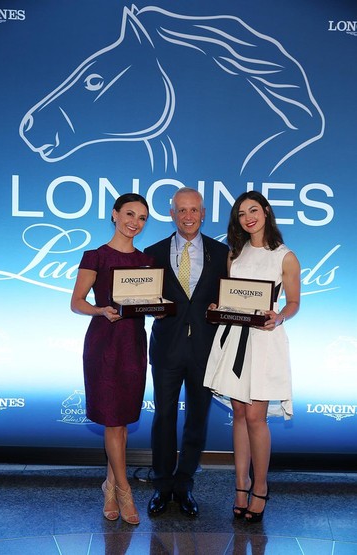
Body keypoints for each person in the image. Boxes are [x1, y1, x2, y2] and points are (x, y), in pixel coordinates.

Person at [204, 191, 300, 523]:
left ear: (267, 212)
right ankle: (240, 486)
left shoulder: (285, 256)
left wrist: (280, 315)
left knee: (257, 418)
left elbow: (293, 302)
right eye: (242, 213)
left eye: (254, 210)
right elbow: (229, 295)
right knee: (241, 416)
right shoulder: (235, 254)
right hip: (233, 338)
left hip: (264, 340)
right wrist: (218, 307)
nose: (249, 218)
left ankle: (260, 487)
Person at [144, 187, 228, 517]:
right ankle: (163, 485)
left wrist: (223, 306)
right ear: (172, 214)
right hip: (166, 347)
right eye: (181, 210)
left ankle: (184, 483)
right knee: (163, 416)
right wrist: (147, 307)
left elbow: (231, 298)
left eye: (194, 210)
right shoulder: (152, 252)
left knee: (197, 418)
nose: (188, 216)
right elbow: (144, 297)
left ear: (204, 213)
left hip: (206, 349)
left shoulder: (223, 254)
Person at [70, 193, 153, 525]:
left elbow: (150, 303)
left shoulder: (147, 262)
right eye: (130, 214)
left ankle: (109, 485)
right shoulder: (96, 256)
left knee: (122, 420)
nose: (135, 222)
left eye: (142, 217)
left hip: (134, 342)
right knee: (112, 420)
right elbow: (76, 302)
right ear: (114, 215)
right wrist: (100, 310)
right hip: (104, 343)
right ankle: (123, 490)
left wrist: (158, 309)